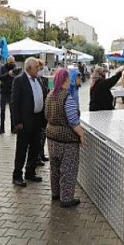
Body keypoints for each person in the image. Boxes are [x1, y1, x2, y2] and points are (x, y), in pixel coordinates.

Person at [44, 68, 85, 207]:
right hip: (67, 142)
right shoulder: (67, 98)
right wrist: (81, 135)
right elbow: (74, 122)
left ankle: (56, 193)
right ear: (65, 80)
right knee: (68, 169)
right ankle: (66, 199)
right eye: (68, 79)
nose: (69, 82)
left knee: (54, 168)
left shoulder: (50, 95)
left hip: (51, 138)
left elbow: (46, 115)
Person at [10, 57, 48, 187]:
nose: (38, 69)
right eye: (36, 67)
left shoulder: (38, 80)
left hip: (37, 118)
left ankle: (30, 172)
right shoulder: (19, 80)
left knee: (35, 147)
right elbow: (14, 102)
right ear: (28, 68)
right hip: (25, 120)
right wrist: (17, 121)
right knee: (22, 149)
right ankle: (17, 175)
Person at [0, 56, 20, 134]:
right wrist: (8, 74)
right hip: (3, 91)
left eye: (13, 62)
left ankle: (13, 128)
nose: (12, 64)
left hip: (12, 91)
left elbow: (18, 77)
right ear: (7, 61)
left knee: (12, 111)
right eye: (10, 62)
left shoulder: (15, 67)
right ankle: (2, 128)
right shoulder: (3, 68)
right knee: (2, 111)